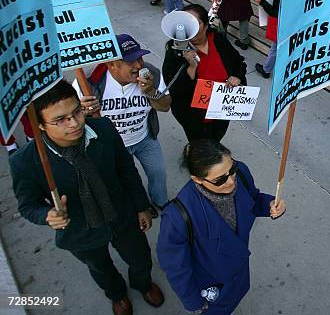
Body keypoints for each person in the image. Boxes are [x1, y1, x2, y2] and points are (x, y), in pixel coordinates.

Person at [10, 80, 164, 315]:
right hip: (80, 231)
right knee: (100, 268)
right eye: (60, 120)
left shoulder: (103, 128)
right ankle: (117, 294)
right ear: (39, 125)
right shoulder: (25, 162)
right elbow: (28, 206)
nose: (74, 123)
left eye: (77, 112)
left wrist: (142, 206)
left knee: (141, 258)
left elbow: (126, 169)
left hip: (121, 214)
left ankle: (143, 284)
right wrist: (48, 216)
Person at [157, 140, 286, 314]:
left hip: (237, 274)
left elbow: (253, 199)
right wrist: (194, 302)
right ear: (197, 179)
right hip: (212, 284)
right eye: (220, 180)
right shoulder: (178, 217)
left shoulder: (241, 174)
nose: (232, 181)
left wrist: (270, 205)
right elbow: (176, 267)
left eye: (231, 170)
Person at [74, 34, 172, 216]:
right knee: (124, 181)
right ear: (111, 64)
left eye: (139, 58)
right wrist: (83, 112)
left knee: (158, 172)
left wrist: (150, 91)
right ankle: (140, 206)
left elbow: (165, 106)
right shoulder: (88, 82)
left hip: (144, 138)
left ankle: (161, 202)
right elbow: (70, 121)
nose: (138, 66)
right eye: (130, 62)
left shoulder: (152, 74)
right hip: (113, 146)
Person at [162, 4, 247, 142]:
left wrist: (237, 76)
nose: (192, 29)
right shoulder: (175, 51)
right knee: (200, 147)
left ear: (206, 25)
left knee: (216, 140)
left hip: (221, 109)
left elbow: (239, 62)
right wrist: (191, 67)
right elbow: (174, 88)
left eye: (196, 23)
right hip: (194, 116)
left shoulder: (218, 40)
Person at [254, 0, 281, 78]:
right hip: (295, 24)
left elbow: (274, 13)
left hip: (282, 25)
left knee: (275, 49)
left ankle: (266, 70)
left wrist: (262, 2)